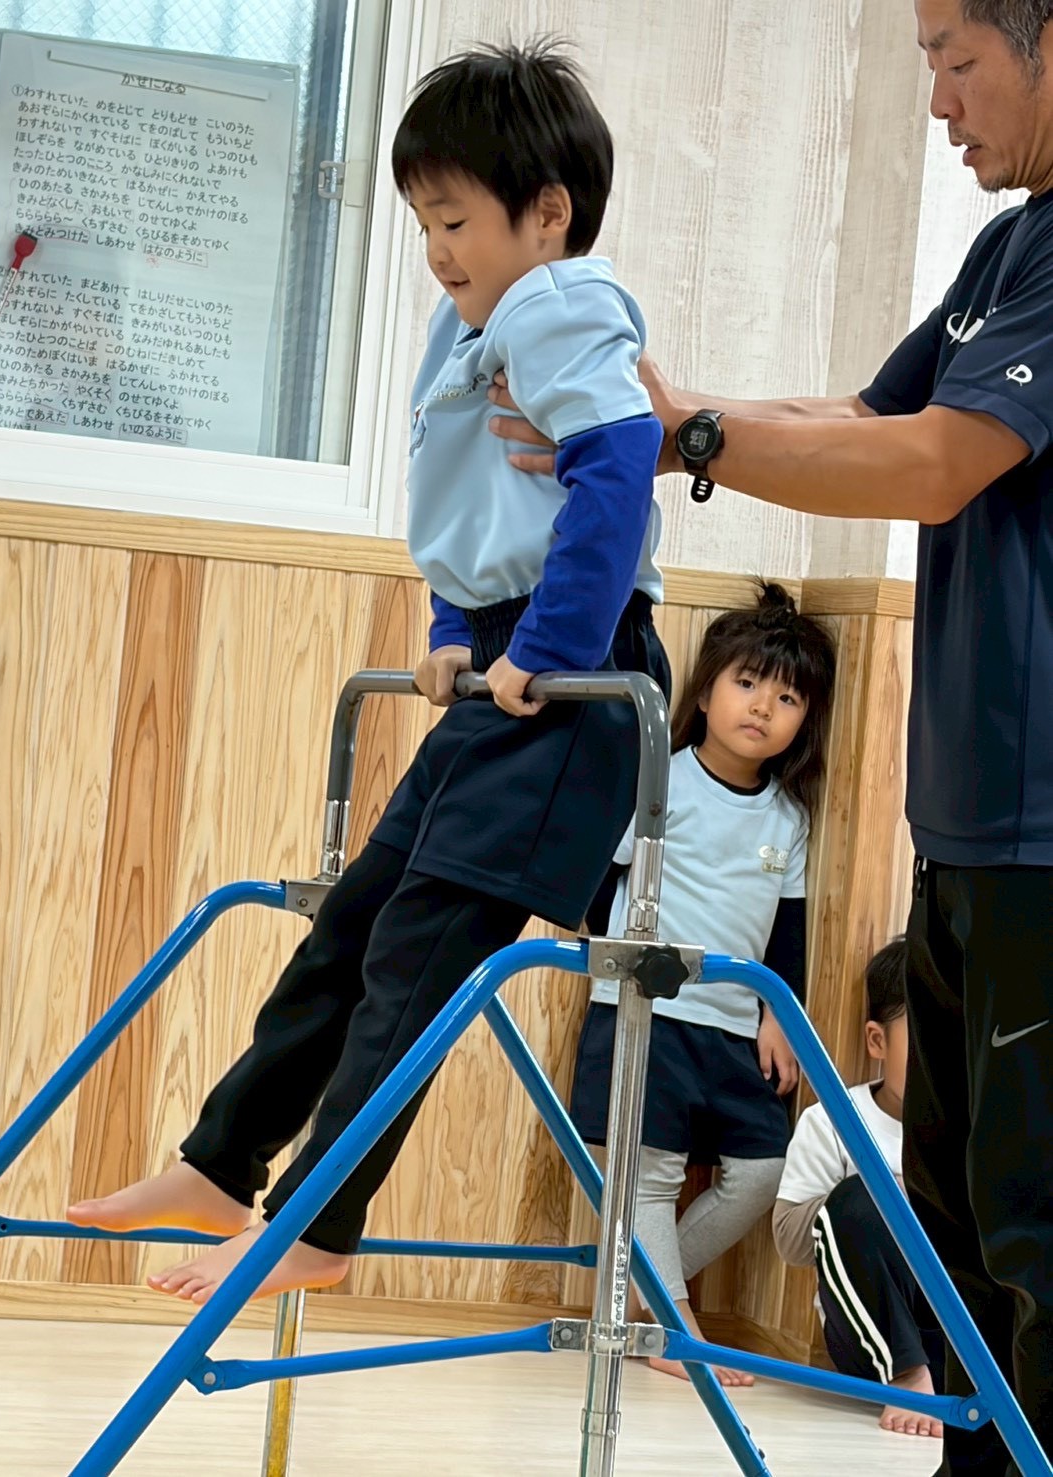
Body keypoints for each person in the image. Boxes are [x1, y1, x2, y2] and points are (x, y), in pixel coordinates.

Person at [488, 4, 1053, 1467]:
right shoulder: (1004, 253)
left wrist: (691, 438)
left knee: (1034, 1230)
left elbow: (933, 463)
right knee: (958, 1223)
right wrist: (672, 418)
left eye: (957, 60)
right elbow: (860, 410)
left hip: (1044, 842)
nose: (938, 101)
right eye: (924, 64)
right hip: (967, 830)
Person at [66, 40, 671, 1304]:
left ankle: (319, 1220)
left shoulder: (562, 304)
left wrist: (548, 648)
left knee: (414, 957)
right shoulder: (475, 324)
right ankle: (223, 1162)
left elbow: (617, 475)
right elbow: (464, 499)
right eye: (423, 224)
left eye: (455, 221)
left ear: (546, 213)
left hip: (570, 682)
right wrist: (454, 624)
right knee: (351, 927)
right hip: (505, 659)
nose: (436, 251)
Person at [571, 581, 836, 1386]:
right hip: (646, 1010)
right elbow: (596, 889)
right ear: (708, 689)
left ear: (804, 719)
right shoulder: (661, 779)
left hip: (732, 1024)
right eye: (747, 683)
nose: (762, 707)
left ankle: (641, 1305)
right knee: (649, 1174)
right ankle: (678, 1332)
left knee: (764, 1169)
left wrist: (778, 1015)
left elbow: (787, 932)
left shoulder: (789, 818)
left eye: (786, 698)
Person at [774, 938, 946, 1440]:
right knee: (856, 1198)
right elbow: (790, 1240)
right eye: (924, 1041)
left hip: (963, 1336)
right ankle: (907, 1377)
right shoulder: (834, 1120)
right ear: (877, 1041)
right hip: (871, 1338)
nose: (940, 1064)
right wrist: (895, 1196)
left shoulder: (977, 1133)